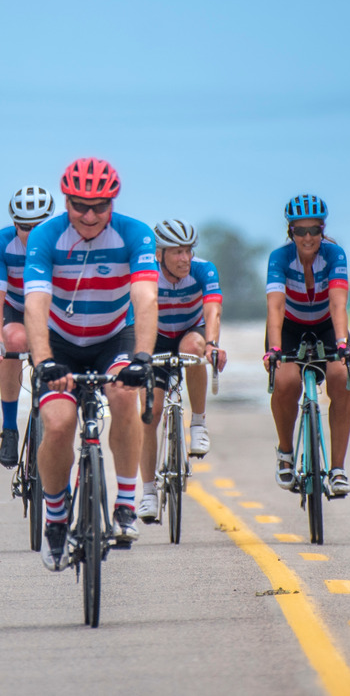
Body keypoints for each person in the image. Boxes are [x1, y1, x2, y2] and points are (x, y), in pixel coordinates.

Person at [24, 157, 159, 569]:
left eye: (100, 206)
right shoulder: (46, 237)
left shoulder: (135, 234)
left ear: (112, 204)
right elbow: (35, 302)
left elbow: (146, 298)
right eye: (80, 205)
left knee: (122, 393)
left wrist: (143, 358)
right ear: (66, 201)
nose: (89, 215)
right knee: (61, 423)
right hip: (60, 343)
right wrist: (44, 360)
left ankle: (124, 502)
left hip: (114, 336)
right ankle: (55, 517)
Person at [264, 193, 350, 497]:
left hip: (327, 324)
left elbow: (338, 303)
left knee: (341, 377)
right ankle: (286, 453)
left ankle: (338, 469)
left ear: (322, 230)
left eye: (314, 230)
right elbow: (275, 307)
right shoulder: (279, 257)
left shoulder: (335, 255)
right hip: (290, 326)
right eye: (299, 231)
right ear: (290, 232)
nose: (307, 237)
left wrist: (342, 343)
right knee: (287, 380)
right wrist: (274, 350)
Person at [139, 218, 226, 523]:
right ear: (160, 254)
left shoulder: (204, 270)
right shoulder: (146, 272)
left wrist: (213, 344)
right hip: (156, 336)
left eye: (188, 250)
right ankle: (148, 493)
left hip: (191, 330)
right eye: (176, 252)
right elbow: (132, 314)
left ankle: (199, 424)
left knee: (194, 349)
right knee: (151, 414)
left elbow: (213, 308)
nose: (185, 258)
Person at [0, 186, 55, 468]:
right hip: (18, 308)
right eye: (26, 227)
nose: (34, 234)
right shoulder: (1, 244)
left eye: (41, 226)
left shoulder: (66, 244)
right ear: (14, 225)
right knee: (11, 340)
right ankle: (10, 428)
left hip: (54, 311)